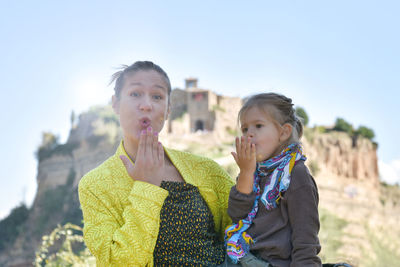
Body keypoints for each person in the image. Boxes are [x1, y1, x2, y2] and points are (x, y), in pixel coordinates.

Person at [78, 61, 234, 266]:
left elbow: (244, 234)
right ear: (115, 104)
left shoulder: (208, 171)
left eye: (157, 97)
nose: (146, 105)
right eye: (135, 94)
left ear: (168, 109)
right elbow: (117, 262)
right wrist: (146, 187)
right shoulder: (95, 185)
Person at [223, 93, 321, 267]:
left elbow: (306, 241)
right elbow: (237, 215)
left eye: (258, 126)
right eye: (245, 129)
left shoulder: (296, 175)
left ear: (283, 133)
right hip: (242, 258)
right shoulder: (254, 171)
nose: (249, 134)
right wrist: (246, 173)